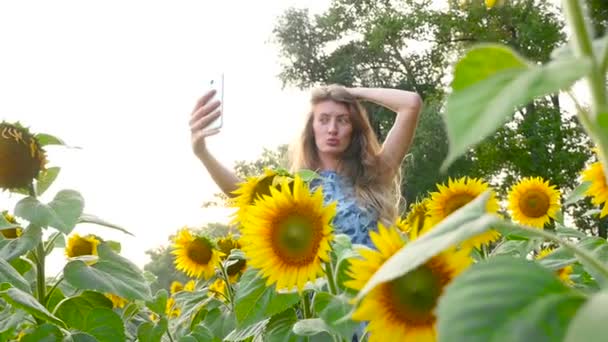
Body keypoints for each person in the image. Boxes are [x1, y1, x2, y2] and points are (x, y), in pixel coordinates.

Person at [189, 84, 422, 247]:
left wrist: (350, 93)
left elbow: (410, 103)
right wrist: (203, 153)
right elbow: (240, 191)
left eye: (342, 120)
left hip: (372, 303)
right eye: (324, 119)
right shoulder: (296, 188)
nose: (332, 128)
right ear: (312, 128)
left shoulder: (374, 174)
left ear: (354, 129)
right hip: (321, 311)